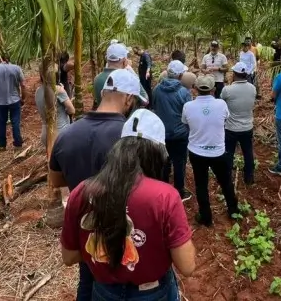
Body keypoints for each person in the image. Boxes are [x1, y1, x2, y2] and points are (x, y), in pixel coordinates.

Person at [60, 109, 196, 301]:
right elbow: (187, 265)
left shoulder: (82, 192)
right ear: (156, 155)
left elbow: (69, 257)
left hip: (104, 291)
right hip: (153, 293)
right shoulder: (165, 197)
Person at [50, 69, 143, 300]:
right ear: (129, 99)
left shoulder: (66, 134)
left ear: (102, 94)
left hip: (85, 229)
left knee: (87, 278)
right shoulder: (132, 137)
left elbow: (56, 181)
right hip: (123, 230)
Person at [183, 75, 240, 226]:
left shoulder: (188, 106)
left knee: (201, 184)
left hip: (196, 152)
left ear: (195, 89)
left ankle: (206, 217)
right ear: (214, 89)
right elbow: (225, 119)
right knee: (226, 181)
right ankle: (233, 211)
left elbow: (185, 123)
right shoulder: (221, 104)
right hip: (218, 151)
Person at [151, 60, 194, 201]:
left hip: (161, 134)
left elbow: (154, 107)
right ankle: (179, 192)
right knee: (179, 163)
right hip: (180, 134)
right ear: (180, 75)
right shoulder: (184, 92)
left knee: (164, 162)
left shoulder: (157, 89)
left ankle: (163, 190)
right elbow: (188, 114)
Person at [221, 62, 257, 185]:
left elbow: (221, 103)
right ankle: (249, 177)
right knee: (248, 152)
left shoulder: (228, 90)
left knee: (229, 153)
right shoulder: (252, 88)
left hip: (231, 128)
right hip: (247, 127)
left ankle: (226, 178)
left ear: (234, 74)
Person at [0, 53, 27, 149]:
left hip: (0, 102)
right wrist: (23, 98)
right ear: (9, 59)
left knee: (1, 122)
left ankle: (2, 145)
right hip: (15, 100)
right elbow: (23, 85)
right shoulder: (17, 68)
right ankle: (18, 143)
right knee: (15, 122)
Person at [93, 43, 148, 109]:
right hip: (124, 119)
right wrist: (131, 72)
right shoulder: (128, 78)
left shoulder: (97, 79)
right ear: (125, 61)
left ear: (107, 59)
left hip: (103, 118)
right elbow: (145, 100)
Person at [35, 70, 75, 153]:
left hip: (45, 134)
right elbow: (72, 110)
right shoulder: (58, 90)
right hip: (60, 133)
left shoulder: (38, 91)